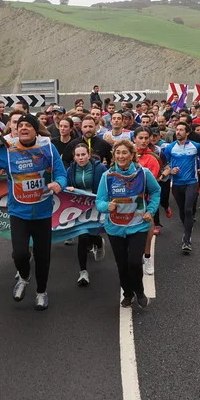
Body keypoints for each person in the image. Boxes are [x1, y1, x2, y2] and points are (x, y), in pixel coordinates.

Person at [0, 113, 67, 311]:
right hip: (19, 211)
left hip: (42, 211)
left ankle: (41, 291)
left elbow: (61, 172)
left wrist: (59, 183)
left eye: (28, 125)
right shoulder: (7, 150)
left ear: (36, 130)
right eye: (20, 125)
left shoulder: (47, 147)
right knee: (19, 254)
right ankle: (24, 277)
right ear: (16, 130)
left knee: (43, 255)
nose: (23, 127)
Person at [95, 141, 160, 307]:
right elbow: (99, 200)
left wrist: (150, 210)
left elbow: (156, 191)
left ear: (132, 155)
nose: (121, 156)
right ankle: (127, 293)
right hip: (115, 227)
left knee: (134, 262)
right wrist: (106, 206)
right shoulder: (107, 176)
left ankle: (139, 291)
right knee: (122, 264)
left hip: (138, 224)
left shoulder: (143, 173)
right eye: (118, 153)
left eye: (124, 153)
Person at [160, 122, 200, 254]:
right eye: (177, 129)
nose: (178, 132)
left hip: (191, 182)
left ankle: (187, 239)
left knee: (188, 209)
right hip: (176, 183)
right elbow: (165, 163)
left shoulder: (196, 146)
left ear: (187, 133)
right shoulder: (170, 148)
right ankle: (187, 228)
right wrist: (170, 170)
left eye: (181, 130)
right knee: (182, 210)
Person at [65, 143, 106, 286]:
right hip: (80, 207)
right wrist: (68, 188)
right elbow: (65, 184)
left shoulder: (99, 168)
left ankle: (98, 242)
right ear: (74, 157)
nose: (81, 158)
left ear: (89, 155)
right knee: (82, 236)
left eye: (83, 154)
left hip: (95, 206)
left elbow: (107, 183)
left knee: (92, 234)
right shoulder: (71, 170)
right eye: (78, 155)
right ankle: (83, 272)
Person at [132, 128, 161, 276]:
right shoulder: (127, 154)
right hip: (126, 200)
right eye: (140, 138)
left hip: (145, 198)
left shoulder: (152, 158)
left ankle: (148, 257)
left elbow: (151, 181)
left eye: (146, 138)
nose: (143, 141)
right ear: (134, 139)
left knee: (148, 227)